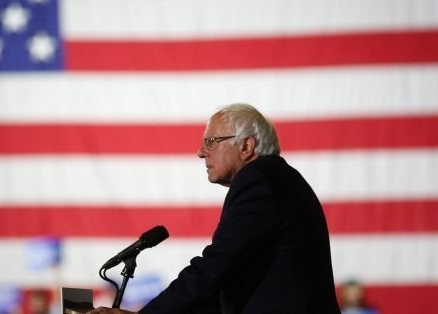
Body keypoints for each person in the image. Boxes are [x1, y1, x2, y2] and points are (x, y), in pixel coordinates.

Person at [89, 103, 340, 313]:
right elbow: (228, 282)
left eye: (211, 141)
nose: (200, 152)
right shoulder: (275, 178)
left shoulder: (259, 180)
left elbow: (215, 268)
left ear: (246, 146)